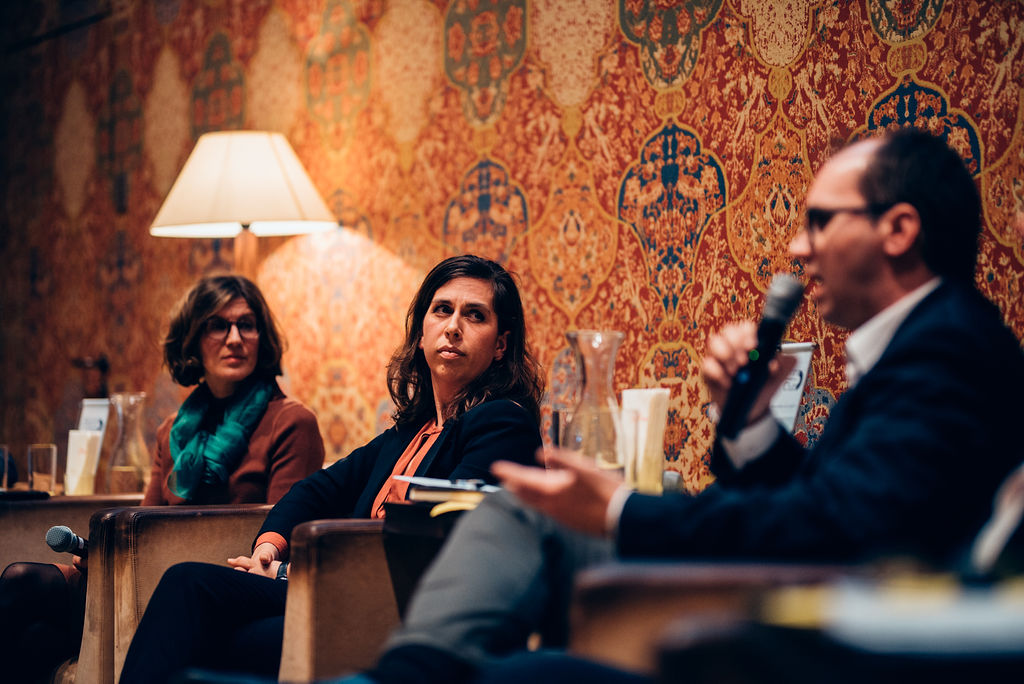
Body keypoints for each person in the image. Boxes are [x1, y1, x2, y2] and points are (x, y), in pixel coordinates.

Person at [343, 128, 1024, 684]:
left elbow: (835, 527)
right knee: (526, 509)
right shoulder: (923, 346)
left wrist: (621, 509)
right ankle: (407, 672)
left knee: (522, 660)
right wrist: (752, 426)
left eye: (820, 222)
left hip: (839, 635)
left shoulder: (948, 351)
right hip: (810, 583)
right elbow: (833, 500)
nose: (798, 247)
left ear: (898, 230)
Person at [118, 254, 546, 683]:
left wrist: (287, 572)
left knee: (190, 586)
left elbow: (439, 534)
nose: (454, 326)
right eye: (442, 310)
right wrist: (269, 549)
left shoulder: (501, 423)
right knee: (211, 626)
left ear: (501, 345)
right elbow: (316, 490)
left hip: (404, 610)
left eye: (475, 315)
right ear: (420, 334)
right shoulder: (410, 432)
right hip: (346, 598)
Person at [0, 274, 325, 684]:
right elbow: (144, 520)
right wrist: (100, 550)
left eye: (247, 324)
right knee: (22, 587)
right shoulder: (173, 428)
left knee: (33, 620)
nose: (235, 338)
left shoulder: (291, 422)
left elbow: (284, 530)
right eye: (217, 325)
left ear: (262, 338)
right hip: (144, 573)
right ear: (192, 339)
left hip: (214, 585)